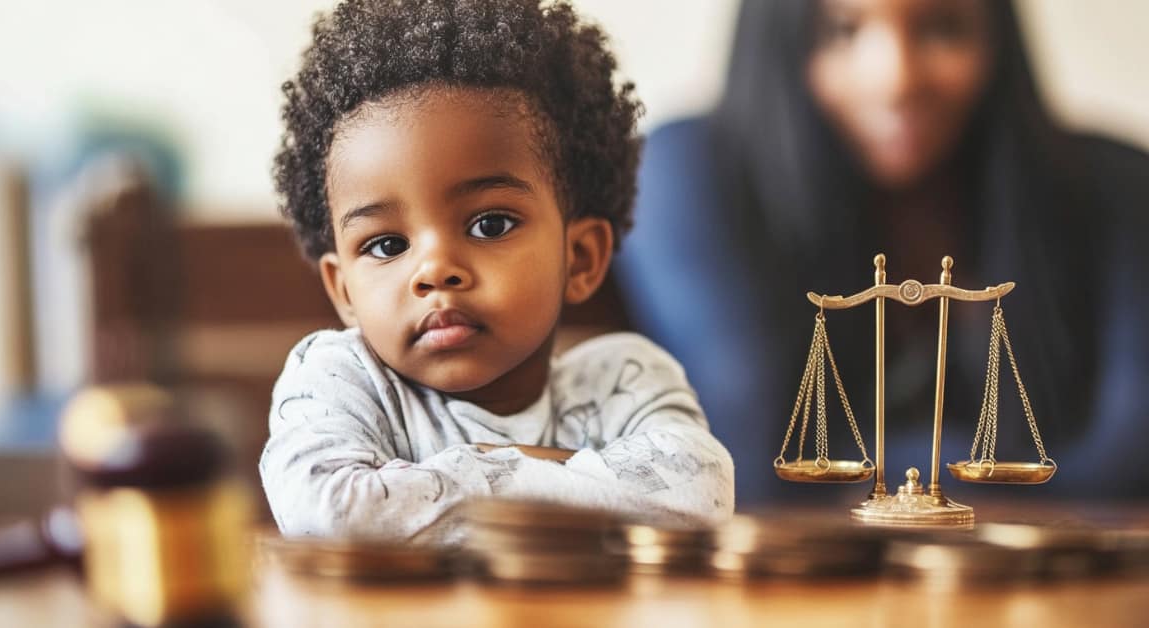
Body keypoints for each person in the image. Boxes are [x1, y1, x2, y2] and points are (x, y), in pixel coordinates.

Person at [617, 0, 1149, 505]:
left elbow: (1130, 462)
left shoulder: (1116, 189)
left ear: (996, 38)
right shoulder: (687, 176)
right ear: (779, 39)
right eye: (841, 30)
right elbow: (754, 464)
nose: (896, 79)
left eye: (941, 28)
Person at [259, 0, 735, 544]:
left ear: (578, 258)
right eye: (387, 244)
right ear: (343, 289)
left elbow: (701, 493)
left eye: (489, 225)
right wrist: (574, 478)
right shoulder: (340, 378)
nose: (435, 269)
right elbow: (328, 511)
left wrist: (465, 476)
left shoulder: (621, 379)